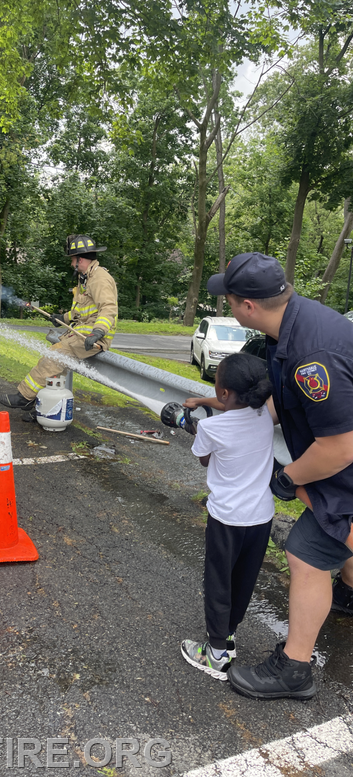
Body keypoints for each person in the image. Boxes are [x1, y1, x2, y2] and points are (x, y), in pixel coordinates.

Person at [207, 251, 353, 701]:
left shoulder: (313, 355)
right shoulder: (292, 327)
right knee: (343, 535)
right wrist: (221, 412)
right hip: (339, 457)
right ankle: (348, 593)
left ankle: (294, 669)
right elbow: (279, 403)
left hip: (342, 460)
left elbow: (340, 447)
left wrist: (287, 479)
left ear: (248, 305)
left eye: (227, 300)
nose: (225, 307)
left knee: (306, 555)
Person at [180, 353, 275, 681]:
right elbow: (233, 406)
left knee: (219, 580)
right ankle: (228, 635)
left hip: (227, 519)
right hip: (261, 517)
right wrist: (202, 399)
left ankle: (217, 655)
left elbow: (204, 460)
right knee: (243, 579)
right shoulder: (264, 414)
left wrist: (190, 423)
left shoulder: (209, 427)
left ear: (222, 392)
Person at [0, 235, 118, 410]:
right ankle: (43, 406)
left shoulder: (100, 278)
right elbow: (81, 311)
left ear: (81, 260)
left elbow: (108, 308)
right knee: (57, 370)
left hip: (93, 337)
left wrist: (98, 332)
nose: (71, 264)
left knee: (54, 355)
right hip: (81, 333)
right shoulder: (86, 278)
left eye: (72, 260)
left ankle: (24, 396)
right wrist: (63, 319)